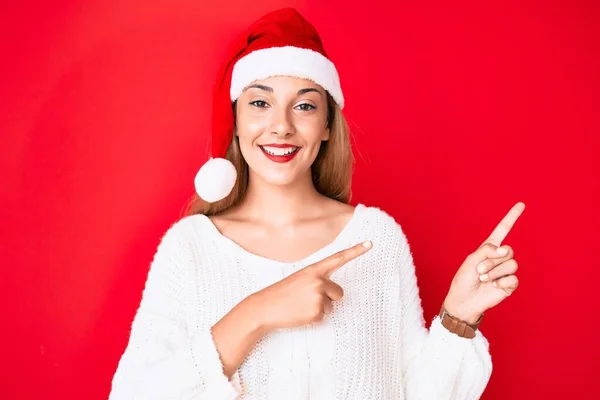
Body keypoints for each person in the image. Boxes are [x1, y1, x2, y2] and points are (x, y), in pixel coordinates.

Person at [108, 7, 525, 400]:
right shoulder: (190, 248)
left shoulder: (376, 239)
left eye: (305, 105)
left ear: (326, 125)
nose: (281, 126)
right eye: (259, 102)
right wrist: (255, 314)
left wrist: (459, 316)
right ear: (236, 121)